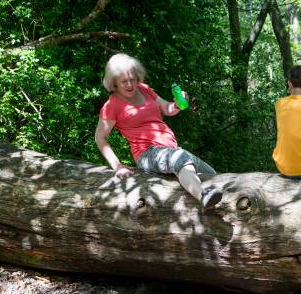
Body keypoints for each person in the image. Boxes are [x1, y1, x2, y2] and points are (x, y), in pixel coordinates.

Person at [95, 53, 222, 209]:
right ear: (114, 82)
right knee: (180, 158)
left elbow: (167, 109)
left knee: (213, 174)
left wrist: (176, 104)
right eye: (124, 81)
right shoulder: (111, 105)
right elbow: (100, 138)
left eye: (132, 79)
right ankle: (203, 196)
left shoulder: (144, 90)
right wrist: (118, 166)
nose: (130, 85)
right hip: (147, 153)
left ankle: (214, 199)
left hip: (171, 150)